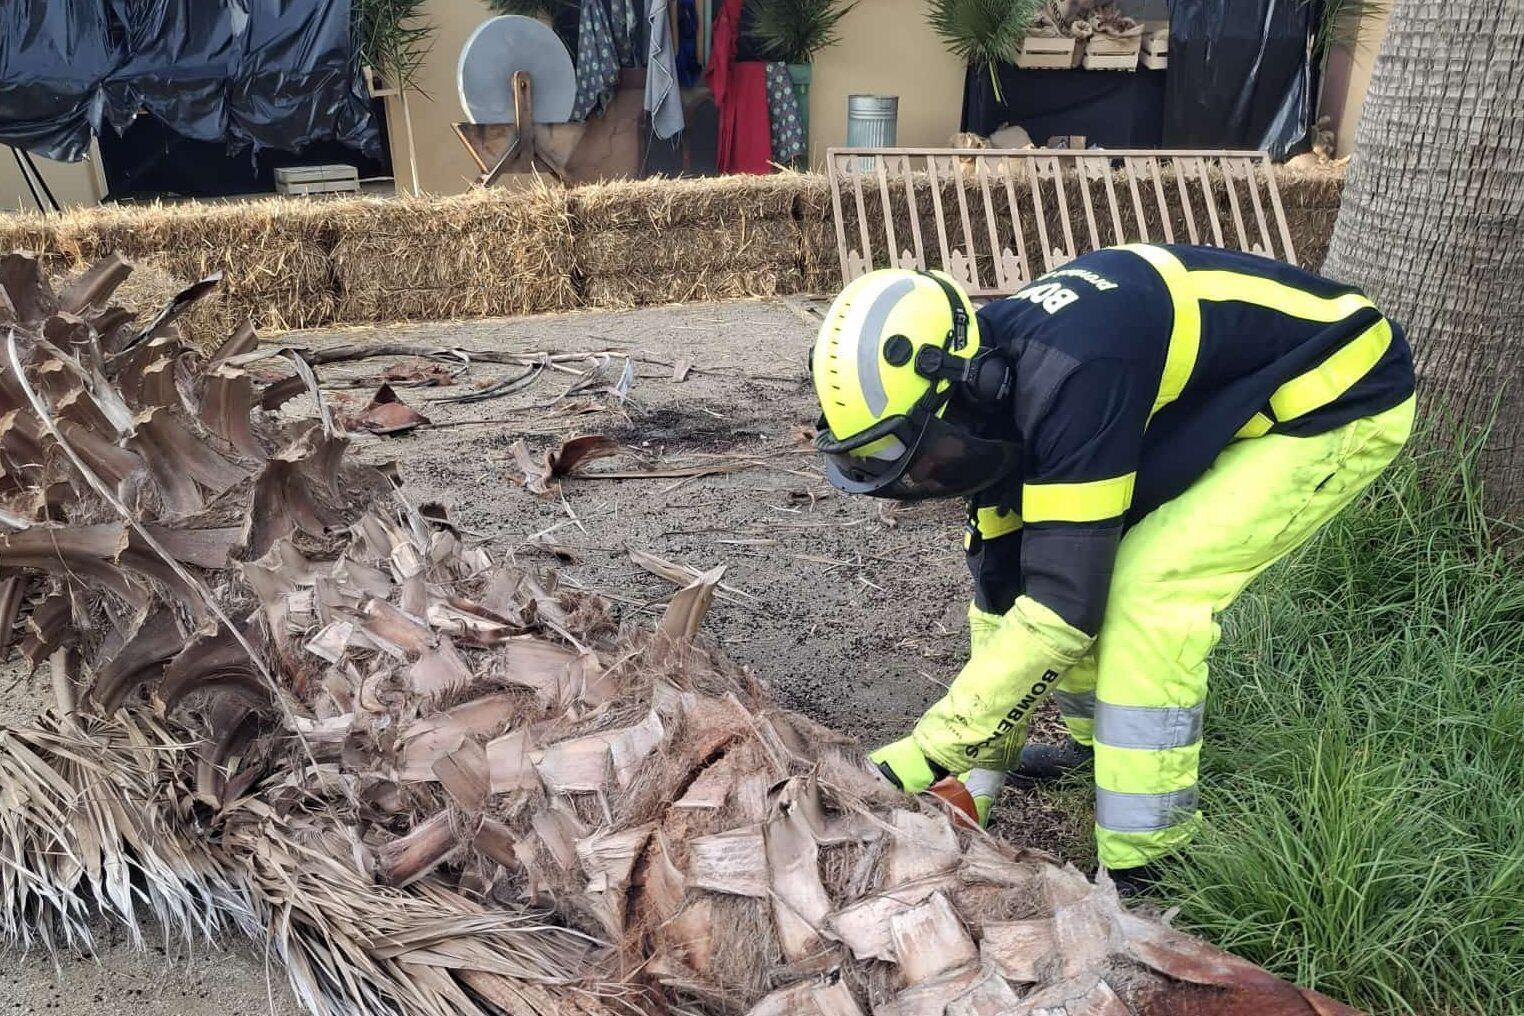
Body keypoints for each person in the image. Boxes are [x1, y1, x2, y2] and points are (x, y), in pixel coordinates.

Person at [808, 243, 1415, 893]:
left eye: (926, 455)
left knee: (1148, 585)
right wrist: (970, 782)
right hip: (1219, 388)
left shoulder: (1074, 373)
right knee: (1065, 562)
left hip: (1336, 392)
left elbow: (1065, 604)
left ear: (964, 389)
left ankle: (1151, 857)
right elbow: (1004, 597)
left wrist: (926, 752)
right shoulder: (989, 377)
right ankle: (1095, 744)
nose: (927, 477)